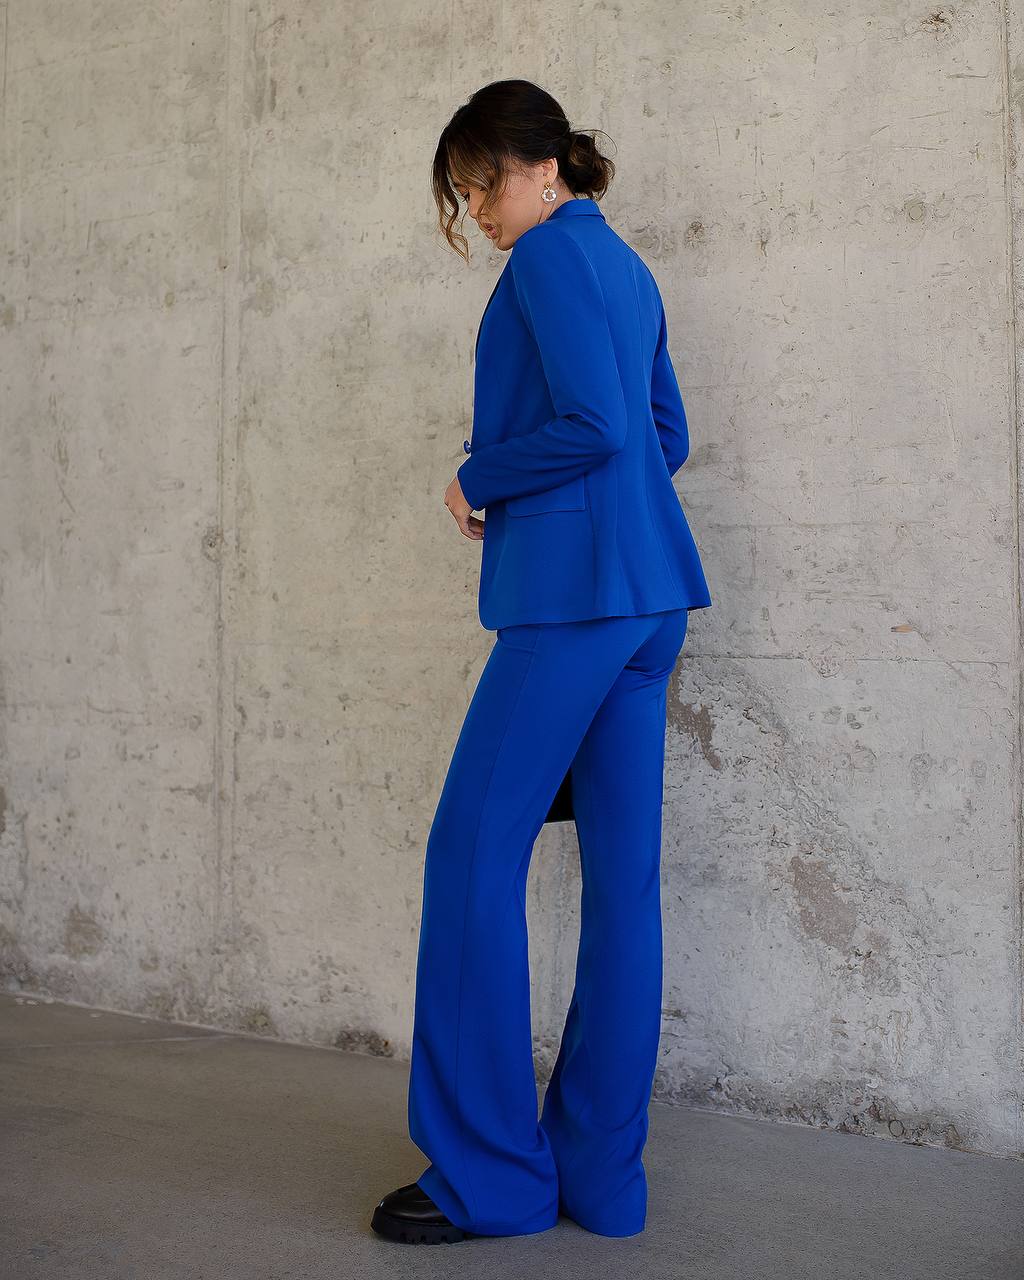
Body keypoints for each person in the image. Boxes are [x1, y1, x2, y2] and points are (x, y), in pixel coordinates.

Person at [371, 79, 712, 1245]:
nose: (480, 211)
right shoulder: (626, 267)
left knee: (471, 852)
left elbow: (599, 427)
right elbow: (663, 435)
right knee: (623, 885)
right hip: (650, 596)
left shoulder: (551, 262)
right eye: (466, 194)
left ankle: (492, 1181)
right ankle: (600, 1179)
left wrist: (480, 476)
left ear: (546, 167)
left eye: (485, 184)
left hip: (574, 603)